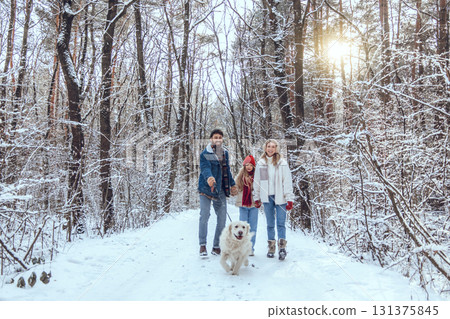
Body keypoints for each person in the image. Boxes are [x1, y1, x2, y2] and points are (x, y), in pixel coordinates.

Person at [198, 129, 237, 257]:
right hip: (206, 189)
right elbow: (205, 168)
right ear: (211, 139)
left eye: (220, 137)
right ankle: (202, 245)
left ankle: (216, 246)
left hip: (220, 189)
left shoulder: (225, 153)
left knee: (222, 219)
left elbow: (227, 172)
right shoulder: (205, 153)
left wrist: (232, 184)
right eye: (215, 137)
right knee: (205, 215)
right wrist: (209, 177)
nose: (218, 139)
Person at [253, 139, 294, 260]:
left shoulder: (282, 163)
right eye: (268, 146)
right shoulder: (261, 163)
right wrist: (257, 197)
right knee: (270, 224)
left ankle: (282, 248)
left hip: (280, 197)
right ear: (265, 148)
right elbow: (257, 182)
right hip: (267, 198)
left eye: (273, 147)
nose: (270, 149)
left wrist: (289, 198)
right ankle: (271, 247)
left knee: (281, 223)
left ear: (276, 149)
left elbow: (287, 181)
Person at [235, 155, 258, 255]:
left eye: (251, 165)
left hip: (254, 205)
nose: (249, 167)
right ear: (244, 166)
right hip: (243, 205)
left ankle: (251, 248)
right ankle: (242, 247)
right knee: (242, 228)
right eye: (247, 165)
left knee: (253, 227)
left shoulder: (257, 177)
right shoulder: (240, 177)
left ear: (254, 166)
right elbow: (235, 189)